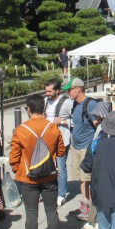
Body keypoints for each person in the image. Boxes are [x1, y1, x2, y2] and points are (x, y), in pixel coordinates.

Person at [9, 94, 65, 229]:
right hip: (49, 177)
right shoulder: (53, 128)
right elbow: (61, 151)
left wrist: (18, 169)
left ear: (28, 109)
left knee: (31, 214)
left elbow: (13, 157)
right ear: (43, 108)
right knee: (52, 213)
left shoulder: (21, 130)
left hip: (28, 179)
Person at [64, 78, 98, 220]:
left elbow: (98, 124)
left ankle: (90, 209)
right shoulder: (75, 104)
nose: (68, 93)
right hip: (76, 146)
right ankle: (84, 204)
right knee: (81, 179)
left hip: (86, 147)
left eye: (70, 89)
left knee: (87, 178)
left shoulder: (90, 104)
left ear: (78, 89)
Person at [44, 79, 74, 207]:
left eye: (50, 91)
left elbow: (76, 121)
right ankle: (48, 191)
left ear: (57, 91)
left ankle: (61, 194)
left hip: (62, 139)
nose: (47, 93)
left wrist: (62, 122)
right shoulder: (45, 101)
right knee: (47, 166)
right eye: (46, 91)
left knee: (61, 167)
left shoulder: (67, 102)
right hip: (47, 139)